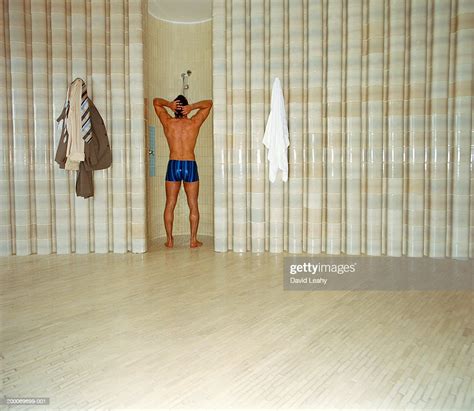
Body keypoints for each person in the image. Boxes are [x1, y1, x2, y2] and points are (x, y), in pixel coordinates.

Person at [153, 95, 213, 248]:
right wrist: (192, 107)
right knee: (193, 204)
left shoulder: (168, 123)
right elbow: (208, 103)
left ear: (175, 109)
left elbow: (156, 102)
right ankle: (193, 240)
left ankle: (170, 240)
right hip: (190, 165)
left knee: (170, 203)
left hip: (173, 165)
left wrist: (168, 104)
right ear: (185, 109)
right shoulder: (193, 123)